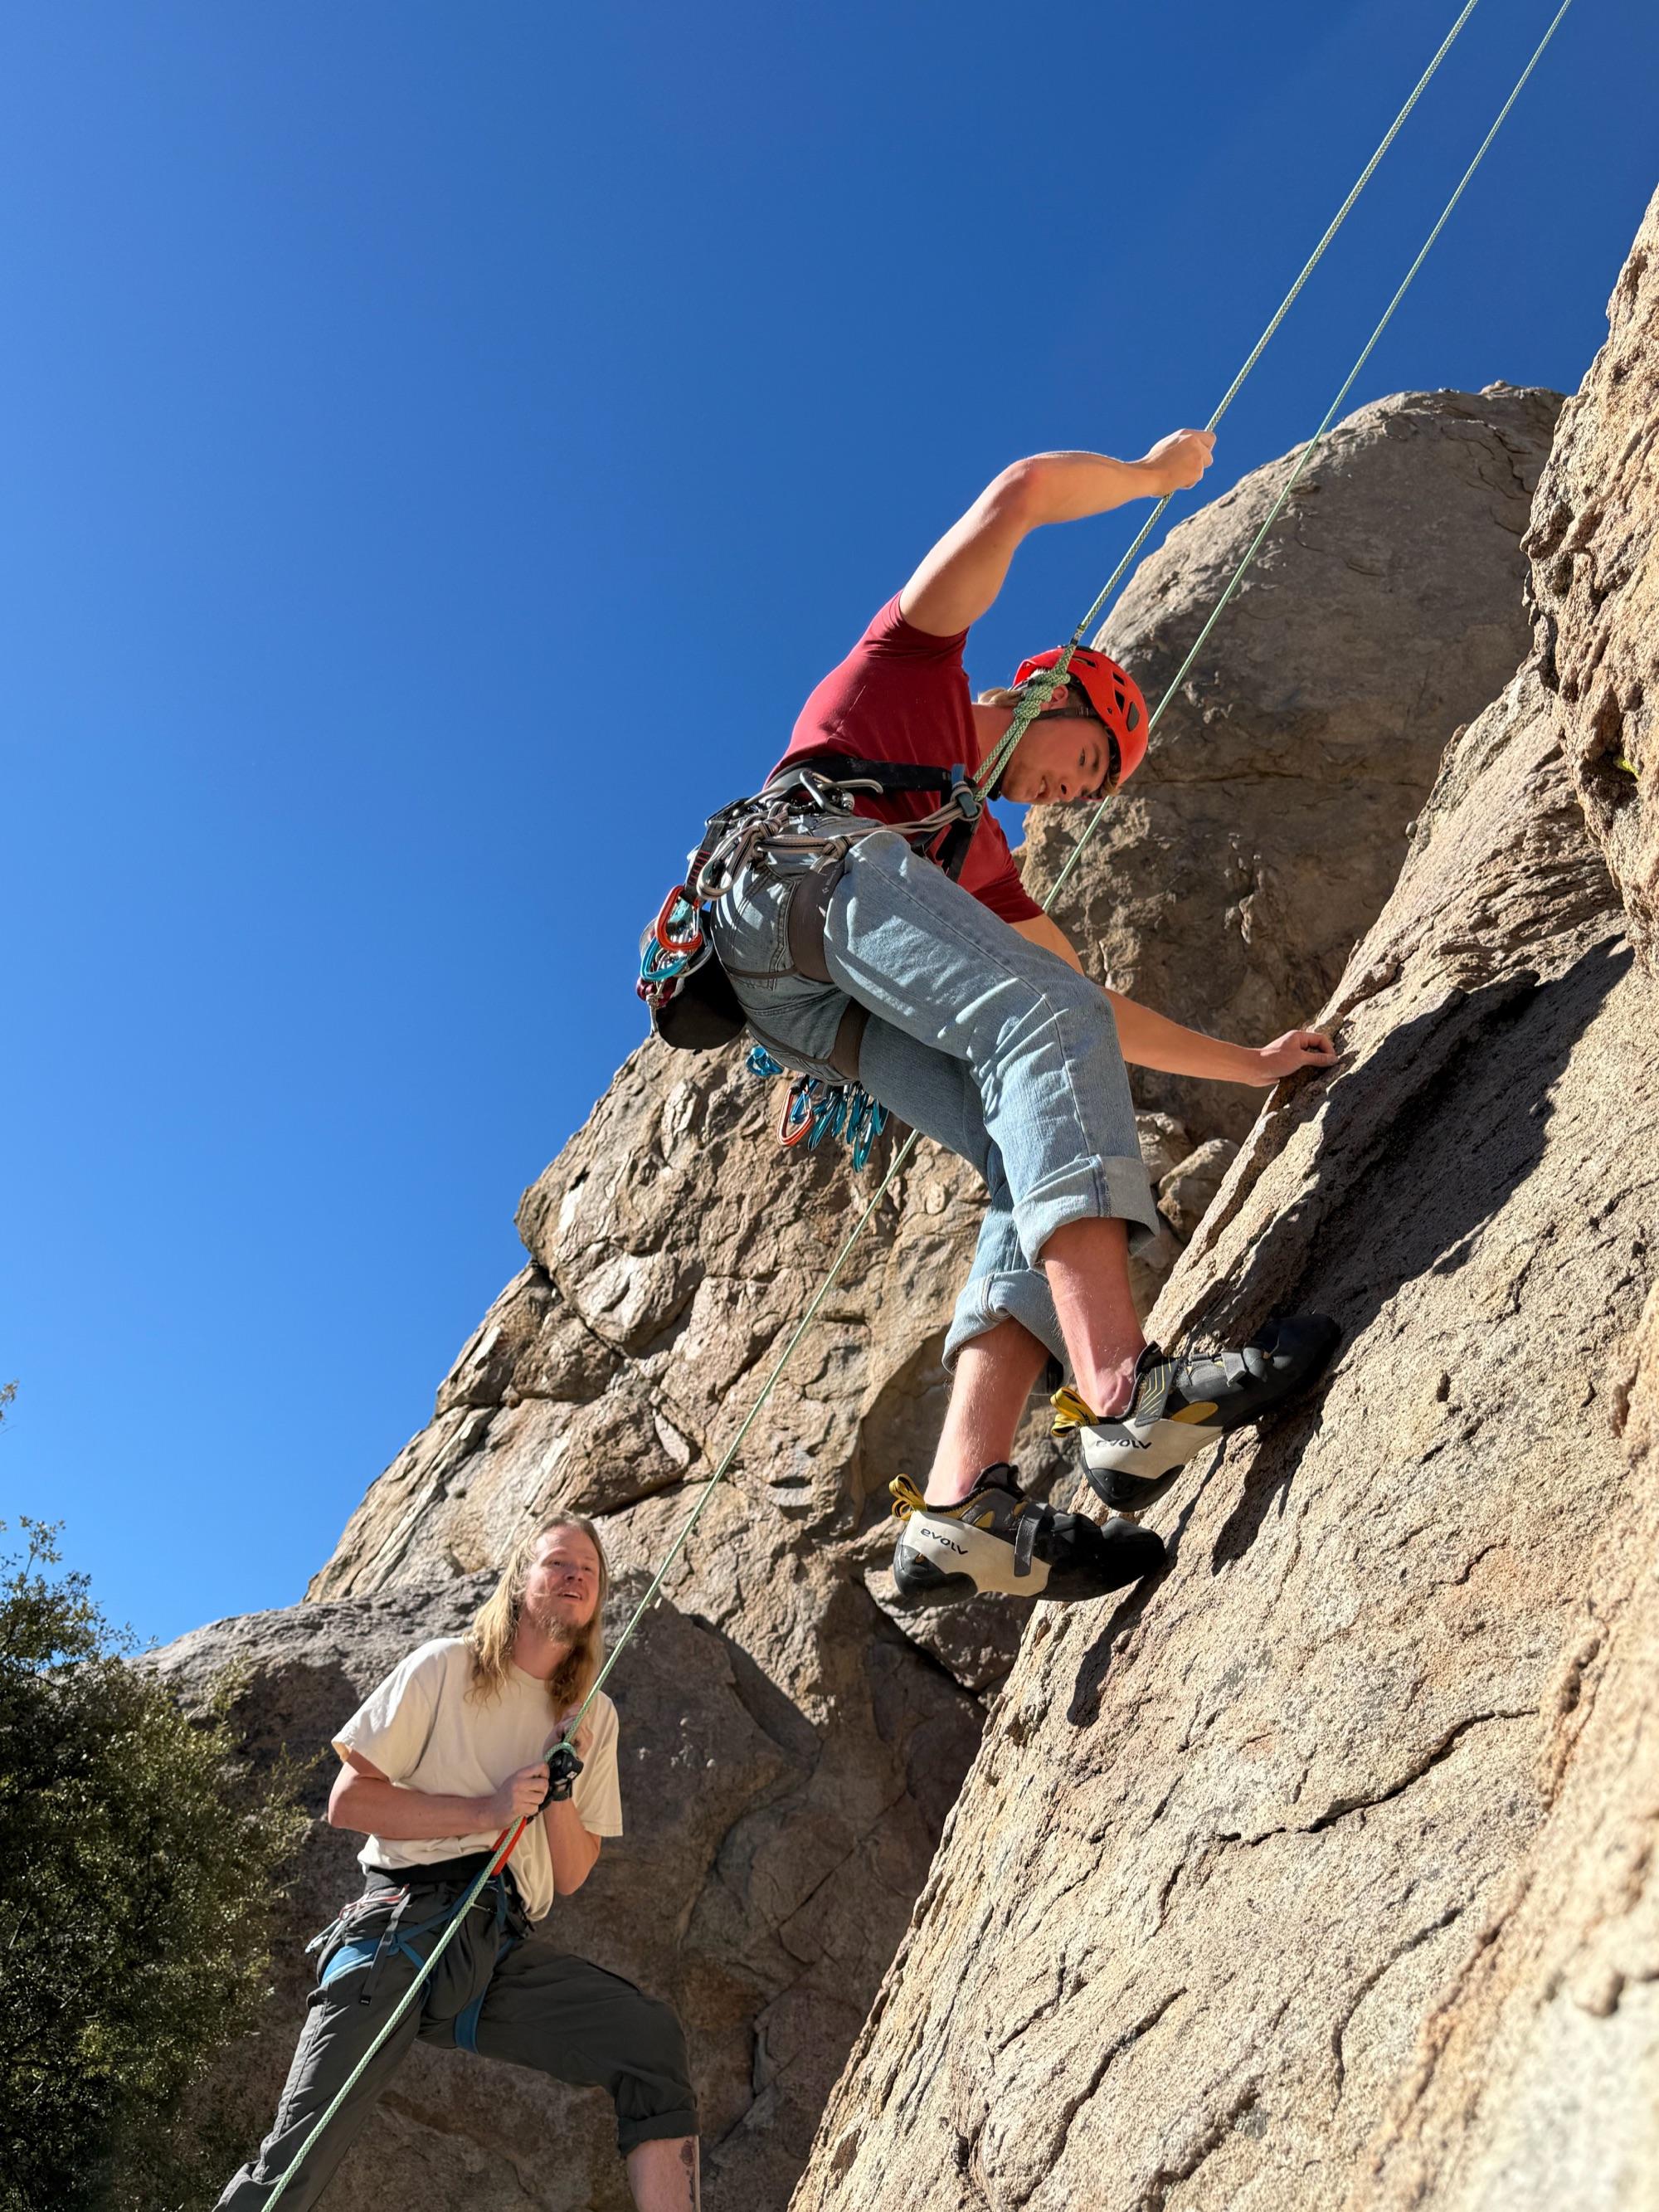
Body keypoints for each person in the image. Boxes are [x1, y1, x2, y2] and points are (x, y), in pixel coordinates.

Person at [703, 432, 1340, 1604]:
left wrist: (1251, 1066)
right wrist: (1150, 481)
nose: (1070, 792)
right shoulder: (910, 667)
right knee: (1038, 1022)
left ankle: (961, 1511)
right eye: (1083, 757)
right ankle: (1126, 1394)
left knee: (1023, 1135)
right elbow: (1021, 494)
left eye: (1088, 792)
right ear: (1044, 691)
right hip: (793, 875)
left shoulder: (980, 863)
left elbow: (1088, 1014)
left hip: (803, 993)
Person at [216, 1516, 700, 2211]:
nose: (573, 1576)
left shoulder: (593, 1716)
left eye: (588, 1571)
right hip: (400, 1927)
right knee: (296, 2159)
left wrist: (560, 1787)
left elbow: (571, 1874)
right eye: (557, 1563)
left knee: (648, 2041)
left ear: (598, 1599)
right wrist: (487, 1810)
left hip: (494, 1947)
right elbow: (348, 1801)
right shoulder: (446, 1667)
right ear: (521, 1580)